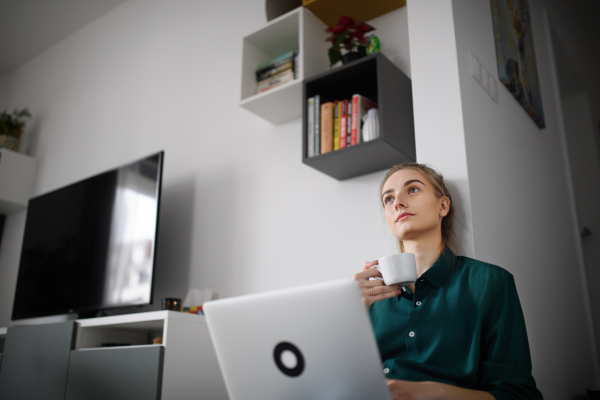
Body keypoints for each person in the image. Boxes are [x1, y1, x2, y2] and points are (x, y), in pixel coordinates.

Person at [353, 163, 543, 400]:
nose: (397, 202)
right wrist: (349, 313)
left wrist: (438, 392)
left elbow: (519, 394)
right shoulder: (366, 297)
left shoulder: (491, 284)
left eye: (412, 190)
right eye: (388, 199)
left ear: (442, 205)